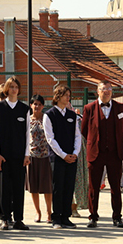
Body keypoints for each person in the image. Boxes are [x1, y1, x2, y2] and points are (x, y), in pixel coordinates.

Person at [81, 81, 123, 228]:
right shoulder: (89, 108)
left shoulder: (120, 107)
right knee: (93, 187)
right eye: (103, 89)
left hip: (115, 153)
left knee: (116, 187)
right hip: (96, 153)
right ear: (98, 91)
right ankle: (93, 217)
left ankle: (117, 217)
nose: (106, 92)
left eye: (109, 89)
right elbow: (84, 130)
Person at [0, 77, 31, 231]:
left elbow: (27, 134)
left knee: (18, 188)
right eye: (11, 87)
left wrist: (26, 155)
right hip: (3, 156)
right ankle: (5, 219)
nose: (14, 89)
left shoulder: (24, 109)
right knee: (4, 188)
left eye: (16, 87)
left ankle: (18, 219)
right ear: (6, 89)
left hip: (19, 156)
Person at [44, 86, 81, 229]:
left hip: (72, 157)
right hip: (57, 157)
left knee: (69, 186)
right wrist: (63, 155)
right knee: (57, 187)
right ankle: (56, 218)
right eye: (65, 95)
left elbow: (77, 136)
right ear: (57, 96)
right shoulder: (49, 115)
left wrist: (75, 153)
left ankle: (66, 217)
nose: (68, 98)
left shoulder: (72, 115)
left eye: (69, 95)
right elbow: (50, 138)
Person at [26, 94, 52, 223]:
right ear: (31, 105)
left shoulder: (46, 119)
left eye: (39, 104)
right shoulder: (27, 120)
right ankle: (38, 211)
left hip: (45, 156)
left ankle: (49, 212)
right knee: (33, 186)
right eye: (35, 104)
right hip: (31, 157)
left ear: (43, 106)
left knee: (47, 187)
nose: (37, 106)